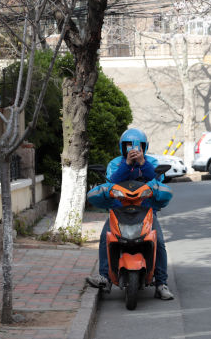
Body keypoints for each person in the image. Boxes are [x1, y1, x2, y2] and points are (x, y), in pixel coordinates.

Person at [86, 128, 175, 300]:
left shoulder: (152, 162)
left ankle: (161, 283)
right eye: (128, 145)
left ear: (144, 147)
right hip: (119, 210)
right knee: (106, 237)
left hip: (146, 210)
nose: (132, 148)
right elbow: (112, 182)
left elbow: (157, 181)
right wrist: (127, 163)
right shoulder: (115, 163)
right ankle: (105, 277)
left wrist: (142, 163)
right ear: (122, 147)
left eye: (137, 145)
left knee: (160, 242)